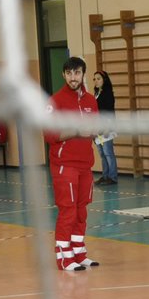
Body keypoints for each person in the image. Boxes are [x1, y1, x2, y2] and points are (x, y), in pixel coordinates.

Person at [46, 57, 99, 271]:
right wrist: (76, 130)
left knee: (81, 209)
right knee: (67, 210)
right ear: (63, 75)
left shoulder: (90, 100)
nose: (73, 77)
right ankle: (64, 256)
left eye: (77, 73)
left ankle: (79, 251)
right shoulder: (55, 101)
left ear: (83, 74)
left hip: (85, 163)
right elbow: (50, 134)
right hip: (63, 164)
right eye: (69, 73)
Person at [92, 70, 118, 184]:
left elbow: (110, 111)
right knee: (102, 154)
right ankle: (105, 175)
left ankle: (113, 177)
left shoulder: (108, 93)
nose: (96, 81)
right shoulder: (96, 93)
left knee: (108, 153)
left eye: (98, 79)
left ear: (104, 80)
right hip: (98, 128)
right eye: (95, 79)